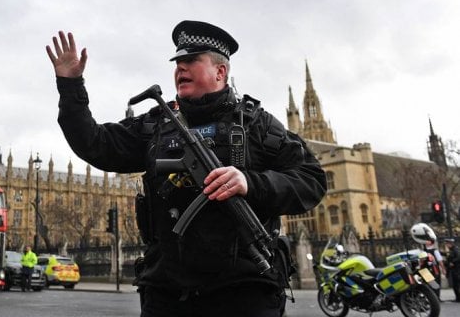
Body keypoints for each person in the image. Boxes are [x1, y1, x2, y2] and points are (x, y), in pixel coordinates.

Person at [46, 21, 327, 317]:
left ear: (221, 72)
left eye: (191, 61)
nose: (180, 69)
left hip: (244, 291)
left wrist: (250, 182)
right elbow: (95, 143)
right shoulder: (156, 124)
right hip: (167, 293)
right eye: (178, 63)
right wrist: (70, 85)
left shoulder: (256, 124)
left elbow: (312, 180)